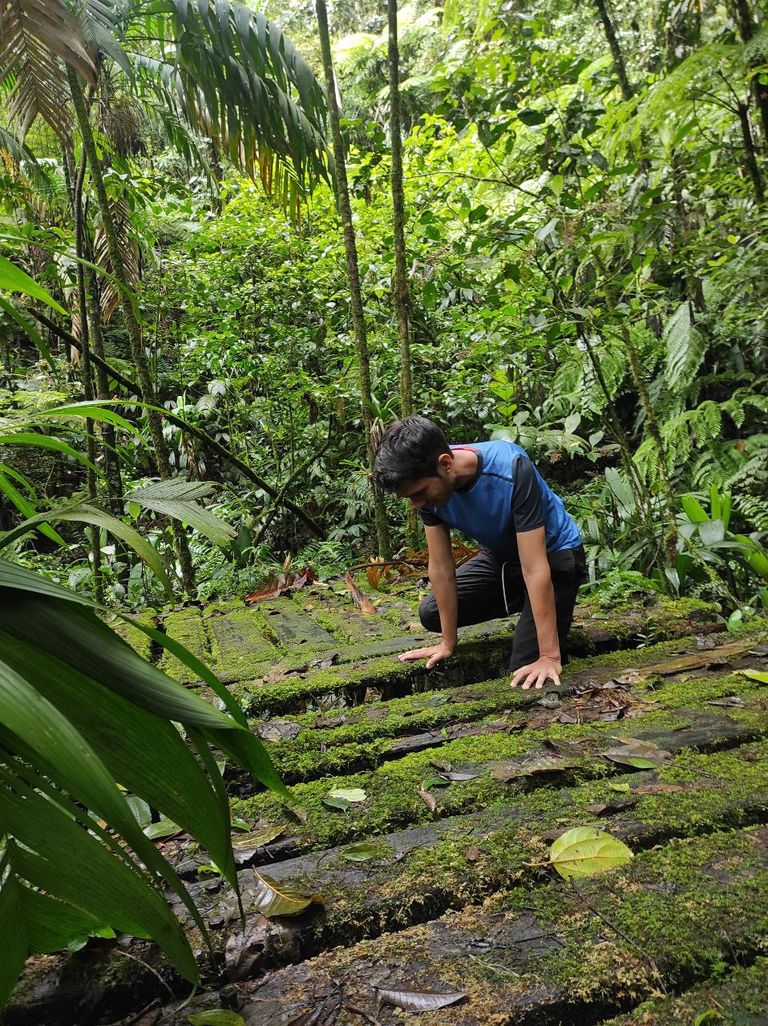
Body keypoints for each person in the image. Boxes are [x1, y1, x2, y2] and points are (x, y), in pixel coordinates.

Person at [373, 416, 587, 689]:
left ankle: (549, 609)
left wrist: (548, 656)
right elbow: (440, 566)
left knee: (527, 668)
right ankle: (531, 605)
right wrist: (448, 643)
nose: (417, 504)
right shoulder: (427, 481)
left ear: (446, 464)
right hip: (504, 558)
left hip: (555, 557)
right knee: (432, 613)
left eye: (420, 493)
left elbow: (535, 566)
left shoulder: (512, 468)